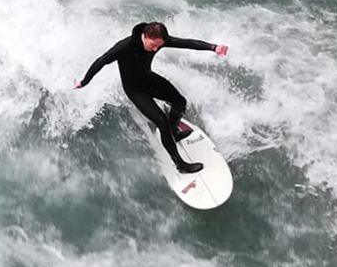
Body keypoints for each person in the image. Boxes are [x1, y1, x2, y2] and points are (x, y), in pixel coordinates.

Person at [76, 21, 227, 174]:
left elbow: (186, 43)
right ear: (145, 36)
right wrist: (84, 82)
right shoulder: (124, 47)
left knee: (180, 102)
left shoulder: (159, 40)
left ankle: (173, 133)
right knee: (161, 121)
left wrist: (213, 47)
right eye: (153, 45)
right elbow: (101, 61)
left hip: (149, 80)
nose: (155, 49)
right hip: (135, 90)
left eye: (158, 46)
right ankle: (180, 165)